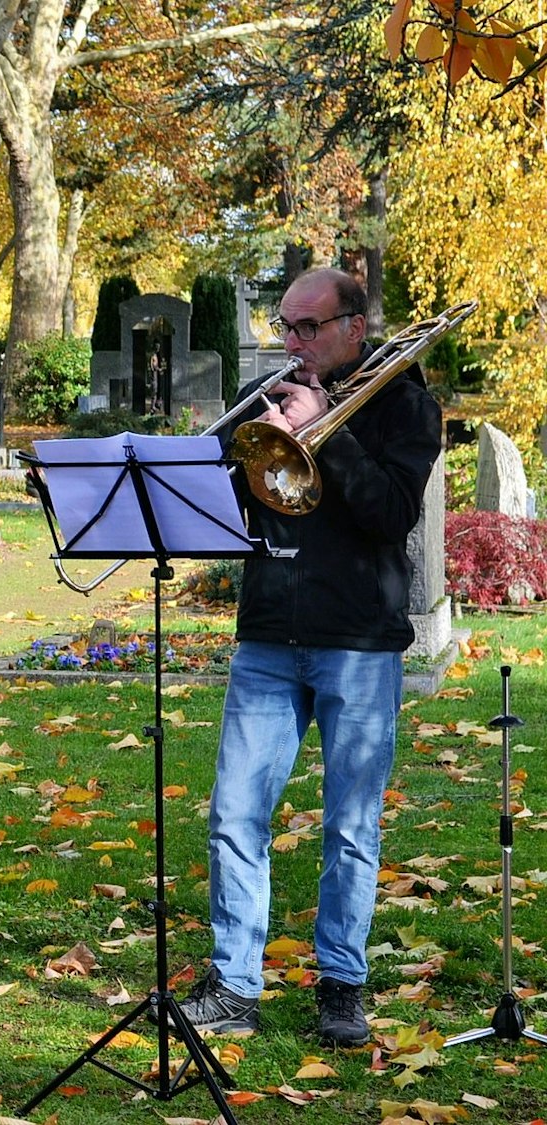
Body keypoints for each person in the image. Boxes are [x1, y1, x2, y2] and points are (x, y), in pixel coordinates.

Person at [181, 268, 442, 1047]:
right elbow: (214, 492)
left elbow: (391, 511)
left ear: (353, 327)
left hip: (358, 641)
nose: (290, 343)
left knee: (351, 825)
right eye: (285, 327)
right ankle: (234, 982)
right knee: (235, 814)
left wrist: (330, 427)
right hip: (267, 632)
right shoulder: (270, 393)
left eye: (306, 328)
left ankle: (341, 985)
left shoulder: (405, 402)